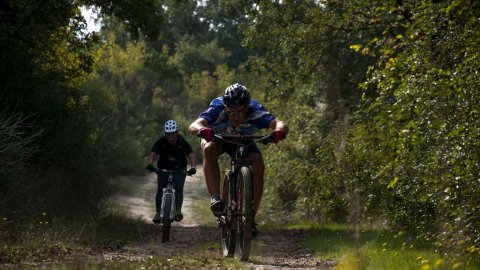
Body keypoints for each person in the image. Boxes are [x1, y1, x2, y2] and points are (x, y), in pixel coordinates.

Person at [188, 83, 288, 236]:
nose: (235, 116)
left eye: (240, 112)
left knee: (258, 163)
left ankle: (250, 216)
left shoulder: (256, 110)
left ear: (247, 108)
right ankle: (216, 198)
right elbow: (194, 124)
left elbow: (278, 123)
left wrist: (279, 131)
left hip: (244, 140)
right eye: (231, 112)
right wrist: (202, 130)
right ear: (225, 107)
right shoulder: (217, 107)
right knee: (209, 149)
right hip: (218, 139)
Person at [146, 120, 197, 224]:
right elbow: (153, 153)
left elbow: (191, 154)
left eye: (173, 133)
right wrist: (150, 164)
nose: (171, 136)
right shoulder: (161, 141)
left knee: (179, 190)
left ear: (177, 132)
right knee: (160, 190)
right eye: (168, 134)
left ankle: (178, 210)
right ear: (165, 133)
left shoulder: (182, 141)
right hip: (163, 169)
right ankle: (158, 213)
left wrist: (193, 167)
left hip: (179, 170)